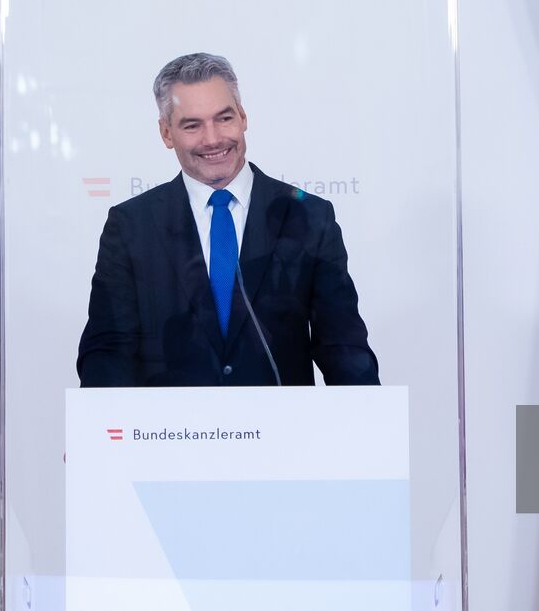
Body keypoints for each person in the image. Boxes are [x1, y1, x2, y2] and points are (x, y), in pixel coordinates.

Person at [76, 52, 379, 386]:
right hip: (170, 434)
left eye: (224, 118)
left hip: (283, 433)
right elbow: (107, 352)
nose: (213, 139)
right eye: (192, 125)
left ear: (243, 117)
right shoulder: (131, 225)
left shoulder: (308, 216)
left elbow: (344, 349)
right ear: (166, 133)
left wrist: (370, 426)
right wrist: (112, 430)